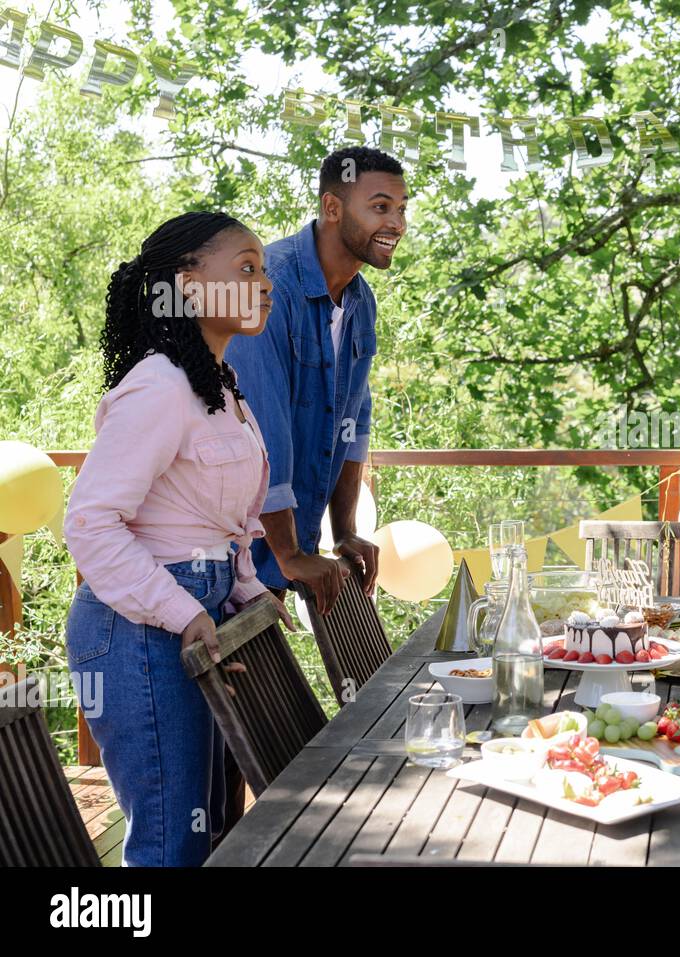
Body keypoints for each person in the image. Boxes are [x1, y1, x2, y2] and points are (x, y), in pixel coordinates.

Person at [64, 211, 292, 866]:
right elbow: (90, 521)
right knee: (173, 844)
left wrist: (246, 590)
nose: (265, 281)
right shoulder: (160, 387)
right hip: (139, 628)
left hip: (199, 616)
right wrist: (186, 609)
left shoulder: (220, 387)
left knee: (219, 826)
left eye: (265, 269)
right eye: (246, 268)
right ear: (189, 285)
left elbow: (225, 518)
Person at [221, 145, 406, 829]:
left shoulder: (359, 302)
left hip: (275, 557)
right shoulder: (267, 286)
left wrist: (344, 529)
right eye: (380, 206)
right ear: (333, 206)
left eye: (402, 208)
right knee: (211, 793)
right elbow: (262, 432)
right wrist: (292, 552)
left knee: (235, 787)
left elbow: (351, 428)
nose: (396, 222)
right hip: (224, 556)